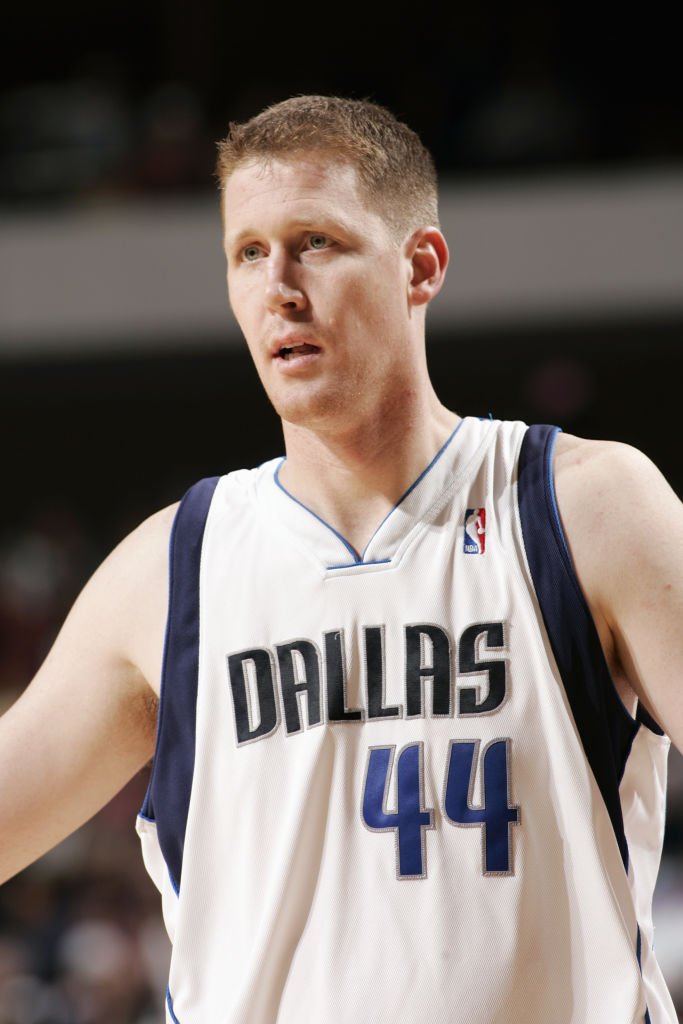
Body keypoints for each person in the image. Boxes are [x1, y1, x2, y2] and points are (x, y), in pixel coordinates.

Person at [1, 94, 682, 1024]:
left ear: (420, 265)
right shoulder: (172, 567)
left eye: (315, 241)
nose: (278, 283)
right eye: (247, 252)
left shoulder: (584, 507)